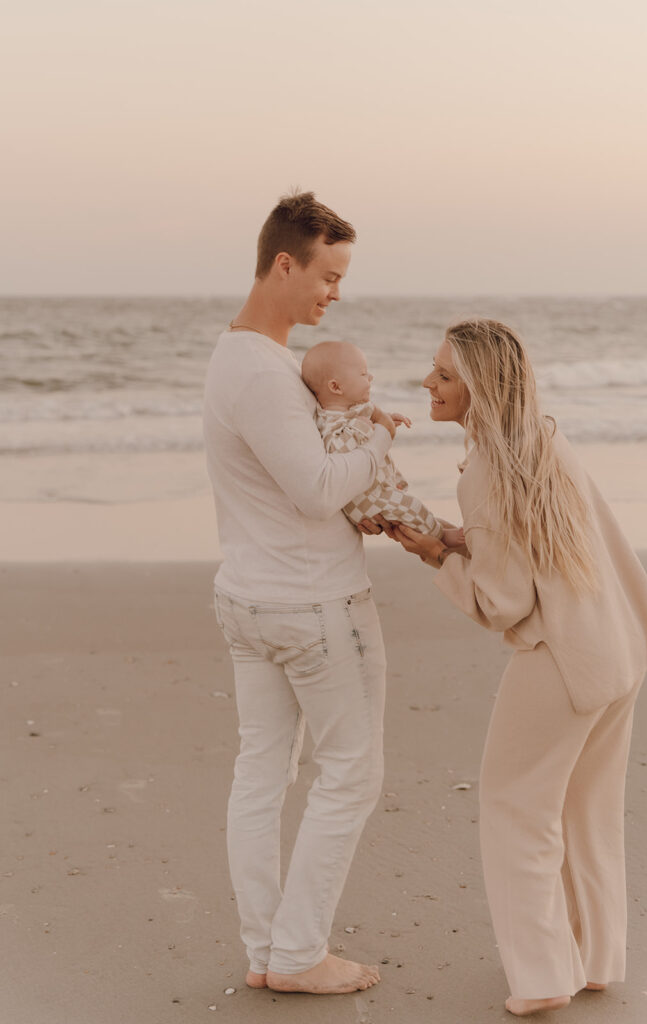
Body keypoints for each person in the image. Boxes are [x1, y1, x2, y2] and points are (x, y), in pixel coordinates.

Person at [388, 319, 647, 1017]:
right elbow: (540, 545)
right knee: (588, 811)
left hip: (563, 663)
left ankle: (545, 973)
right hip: (621, 648)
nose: (428, 384)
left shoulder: (485, 472)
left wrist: (435, 555)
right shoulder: (543, 441)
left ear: (480, 390)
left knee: (515, 808)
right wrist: (463, 539)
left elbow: (505, 599)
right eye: (433, 371)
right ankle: (595, 958)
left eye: (445, 376)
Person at [203, 191, 398, 995]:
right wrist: (381, 439)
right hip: (310, 606)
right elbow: (319, 491)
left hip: (254, 598)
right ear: (285, 263)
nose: (335, 293)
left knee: (262, 772)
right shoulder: (263, 371)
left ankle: (268, 950)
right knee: (351, 773)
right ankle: (297, 954)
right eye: (328, 273)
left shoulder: (241, 359)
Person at [301, 339, 464, 543]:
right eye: (362, 374)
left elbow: (370, 418)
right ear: (336, 386)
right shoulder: (330, 421)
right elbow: (340, 448)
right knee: (410, 507)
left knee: (405, 510)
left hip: (374, 490)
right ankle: (441, 536)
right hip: (363, 499)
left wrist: (386, 419)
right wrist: (371, 428)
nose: (371, 376)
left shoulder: (352, 408)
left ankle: (435, 528)